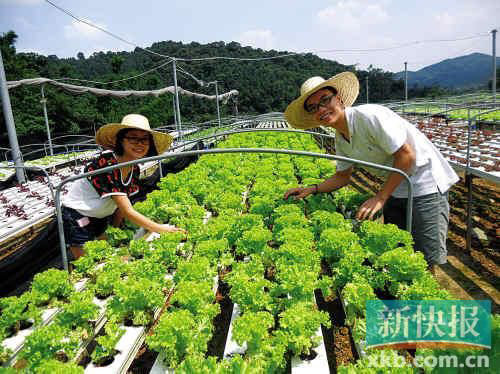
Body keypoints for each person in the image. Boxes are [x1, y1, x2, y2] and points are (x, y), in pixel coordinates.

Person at [283, 72, 459, 271]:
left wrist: (381, 198)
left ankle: (424, 300)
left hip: (424, 183)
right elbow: (342, 176)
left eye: (325, 100)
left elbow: (407, 155)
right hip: (395, 187)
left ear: (339, 99)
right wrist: (312, 189)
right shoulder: (341, 138)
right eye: (313, 107)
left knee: (423, 260)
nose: (321, 109)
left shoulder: (369, 116)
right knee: (401, 253)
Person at [62, 114, 185, 260]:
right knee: (86, 262)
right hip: (77, 214)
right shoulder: (106, 163)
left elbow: (122, 205)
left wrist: (116, 228)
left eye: (144, 139)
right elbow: (127, 210)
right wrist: (161, 229)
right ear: (120, 140)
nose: (139, 143)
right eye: (133, 138)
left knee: (104, 255)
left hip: (101, 215)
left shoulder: (134, 169)